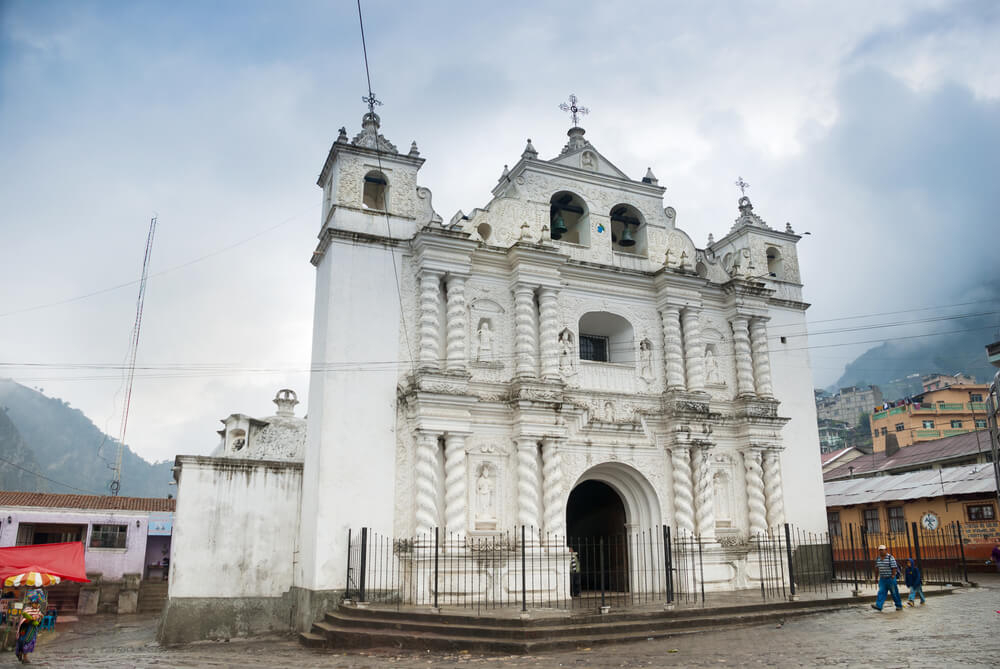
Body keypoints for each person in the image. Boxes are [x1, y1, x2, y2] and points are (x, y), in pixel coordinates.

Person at [871, 544, 903, 612]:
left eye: (882, 550)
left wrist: (893, 575)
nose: (881, 552)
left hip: (890, 578)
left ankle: (899, 605)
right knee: (881, 592)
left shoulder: (890, 557)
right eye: (880, 550)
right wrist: (876, 578)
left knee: (894, 593)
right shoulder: (878, 558)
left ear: (886, 550)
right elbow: (876, 569)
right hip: (882, 579)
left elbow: (894, 567)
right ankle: (879, 606)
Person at [15, 589, 44, 664]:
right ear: (31, 603)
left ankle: (25, 657)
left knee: (29, 643)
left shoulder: (38, 611)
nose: (36, 604)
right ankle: (19, 653)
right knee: (22, 642)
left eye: (37, 603)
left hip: (32, 630)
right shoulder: (27, 610)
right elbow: (23, 619)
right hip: (25, 629)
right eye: (34, 603)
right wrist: (30, 619)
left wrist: (39, 618)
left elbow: (39, 620)